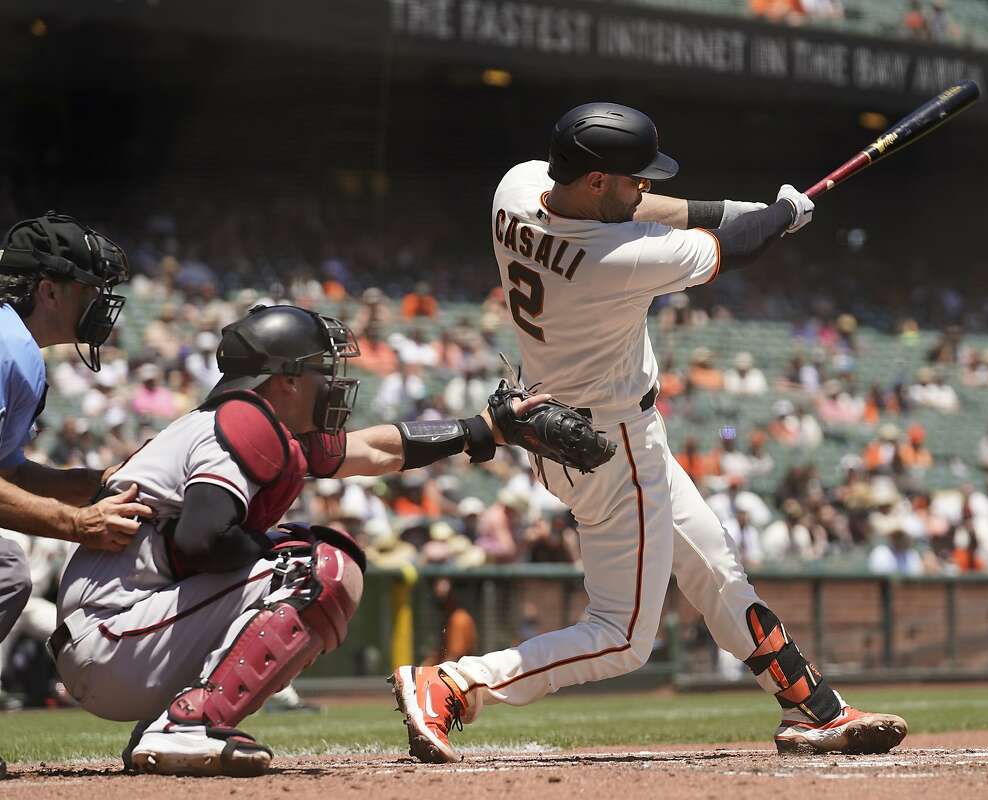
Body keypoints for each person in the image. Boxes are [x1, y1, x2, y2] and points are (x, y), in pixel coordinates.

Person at [391, 102, 905, 764]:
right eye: (633, 178)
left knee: (715, 566)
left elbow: (649, 211)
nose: (644, 189)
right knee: (622, 636)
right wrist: (779, 218)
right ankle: (452, 685)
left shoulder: (518, 186)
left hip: (564, 425)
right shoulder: (617, 258)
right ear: (597, 181)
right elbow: (729, 252)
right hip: (611, 446)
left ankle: (813, 710)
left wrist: (740, 210)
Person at [48, 304, 552, 777]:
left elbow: (373, 451)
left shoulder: (251, 421)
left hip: (121, 633)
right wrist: (270, 552)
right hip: (113, 632)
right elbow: (202, 539)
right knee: (318, 567)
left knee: (305, 553)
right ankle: (187, 725)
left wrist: (479, 430)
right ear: (286, 380)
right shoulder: (243, 421)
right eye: (319, 370)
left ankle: (175, 720)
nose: (331, 382)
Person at [0, 213, 146, 775]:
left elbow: (5, 469)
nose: (100, 301)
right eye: (90, 287)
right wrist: (75, 524)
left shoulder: (16, 343)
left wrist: (90, 485)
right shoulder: (9, 346)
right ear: (49, 289)